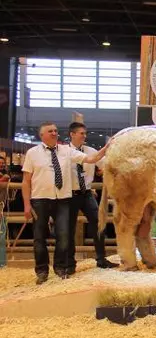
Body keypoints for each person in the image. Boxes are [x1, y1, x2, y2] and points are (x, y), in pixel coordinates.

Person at [22, 122, 108, 284]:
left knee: (63, 236)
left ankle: (60, 268)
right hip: (40, 199)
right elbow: (26, 181)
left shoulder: (67, 151)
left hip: (62, 199)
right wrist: (27, 204)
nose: (54, 133)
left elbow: (92, 158)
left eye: (55, 130)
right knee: (39, 237)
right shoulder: (32, 153)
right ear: (42, 135)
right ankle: (42, 270)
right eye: (50, 131)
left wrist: (106, 148)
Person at [67, 122, 118, 270]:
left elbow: (104, 164)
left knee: (99, 224)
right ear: (72, 134)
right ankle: (70, 263)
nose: (84, 136)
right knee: (69, 229)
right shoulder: (65, 152)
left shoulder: (90, 149)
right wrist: (107, 147)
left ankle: (101, 259)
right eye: (81, 133)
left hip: (87, 193)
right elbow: (94, 159)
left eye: (85, 133)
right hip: (70, 195)